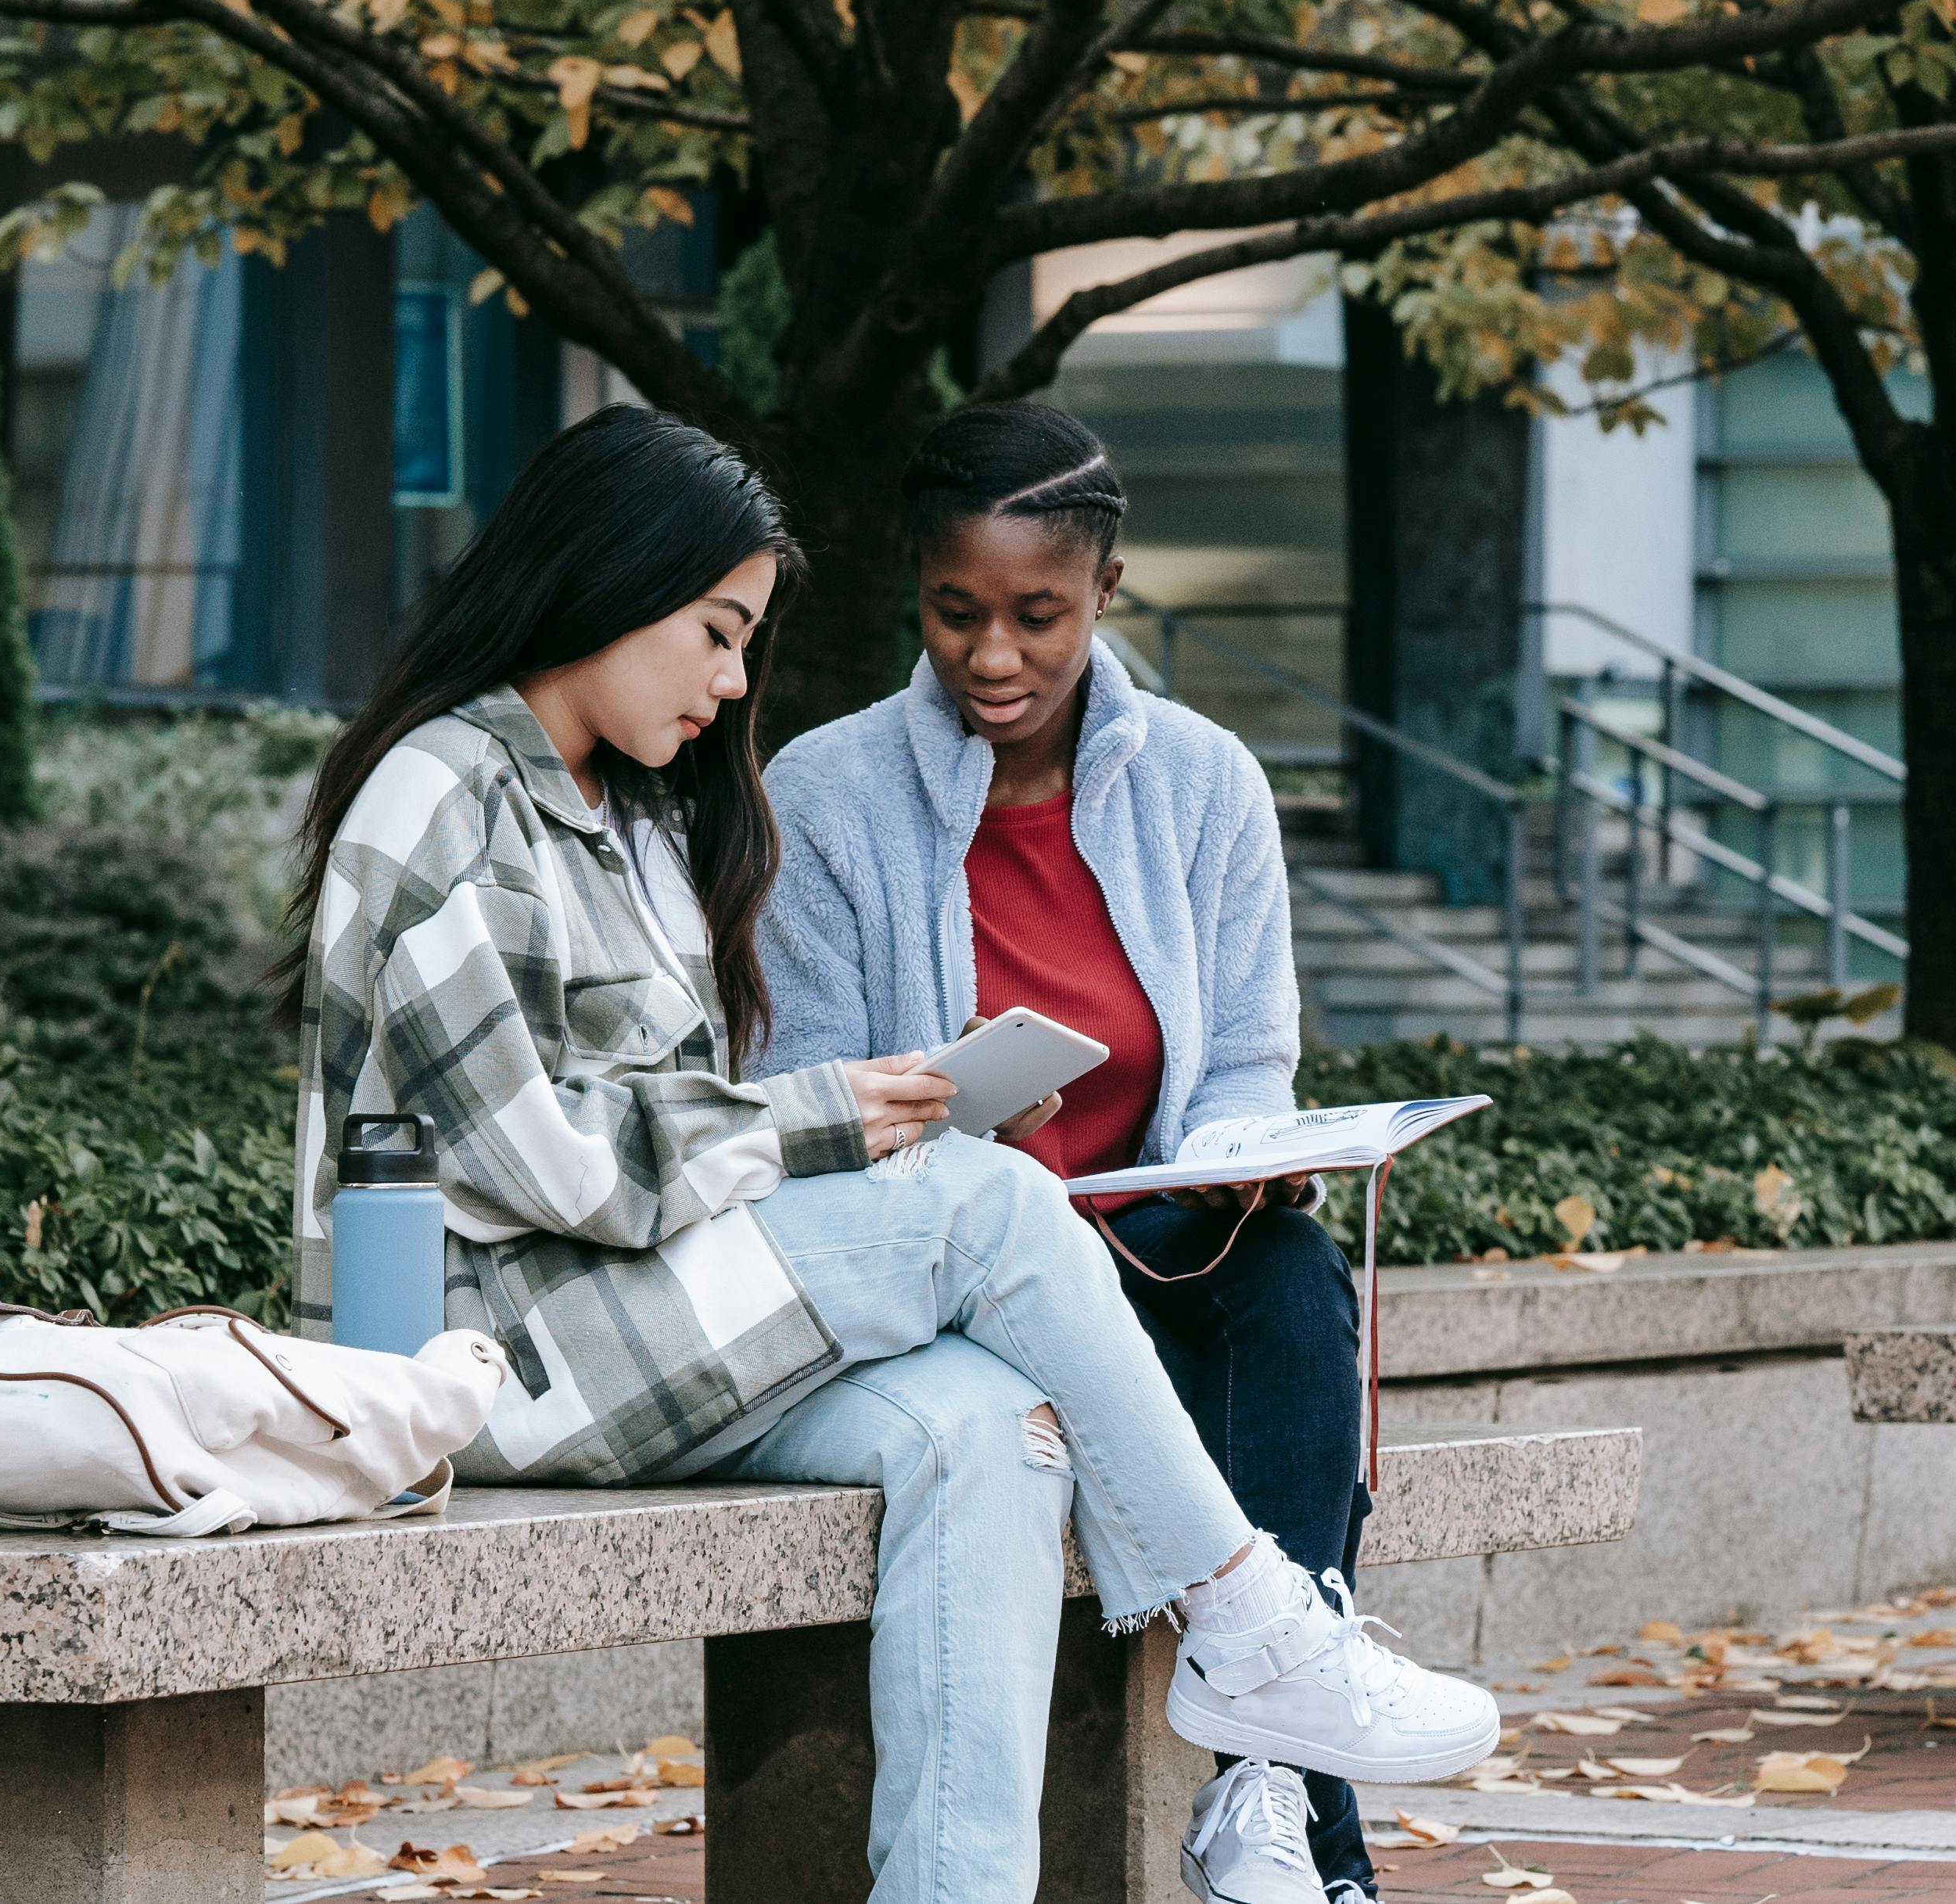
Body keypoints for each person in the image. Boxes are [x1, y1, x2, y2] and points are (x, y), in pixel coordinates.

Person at [282, 404, 1497, 1904]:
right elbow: (556, 1165)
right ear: (607, 584)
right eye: (718, 635)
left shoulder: (636, 811)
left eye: (747, 643)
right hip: (489, 1350)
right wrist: (849, 1113)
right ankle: (1251, 1621)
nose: (736, 684)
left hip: (642, 1313)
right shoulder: (440, 797)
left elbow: (672, 1119)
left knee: (995, 1430)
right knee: (979, 1198)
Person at [756, 401, 1391, 1904]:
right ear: (914, 594)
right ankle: (1325, 1844)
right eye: (955, 612)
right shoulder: (827, 798)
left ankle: (1272, 1807)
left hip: (1158, 1257)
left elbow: (1243, 1059)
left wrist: (1245, 1155)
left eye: (1038, 615)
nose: (993, 656)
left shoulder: (1206, 783)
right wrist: (955, 1118)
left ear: (1106, 590)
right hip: (959, 1302)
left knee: (1296, 1286)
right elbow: (791, 1103)